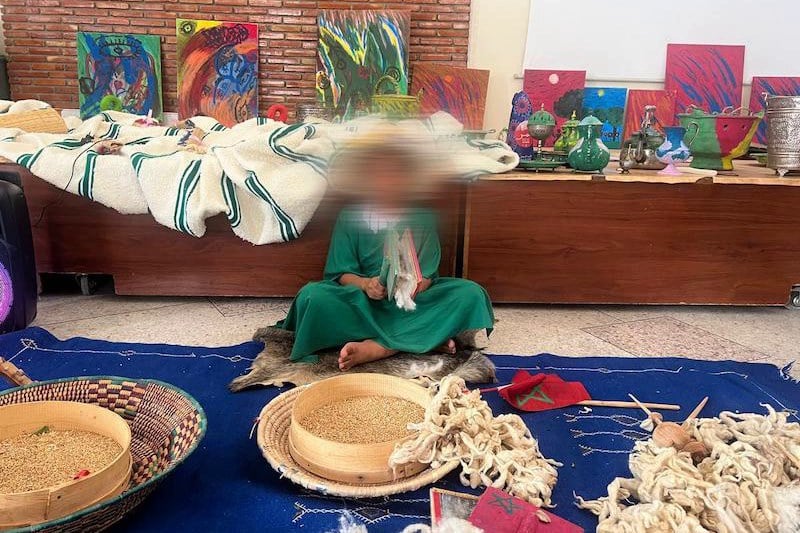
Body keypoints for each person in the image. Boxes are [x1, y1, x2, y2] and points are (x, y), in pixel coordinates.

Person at [277, 134, 495, 370]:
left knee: (470, 294)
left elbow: (428, 275)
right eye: (377, 175)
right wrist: (365, 284)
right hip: (364, 302)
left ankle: (381, 347)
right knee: (312, 297)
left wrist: (413, 286)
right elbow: (340, 274)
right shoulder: (349, 217)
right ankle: (423, 338)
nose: (386, 182)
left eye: (395, 175)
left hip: (410, 302)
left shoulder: (423, 218)